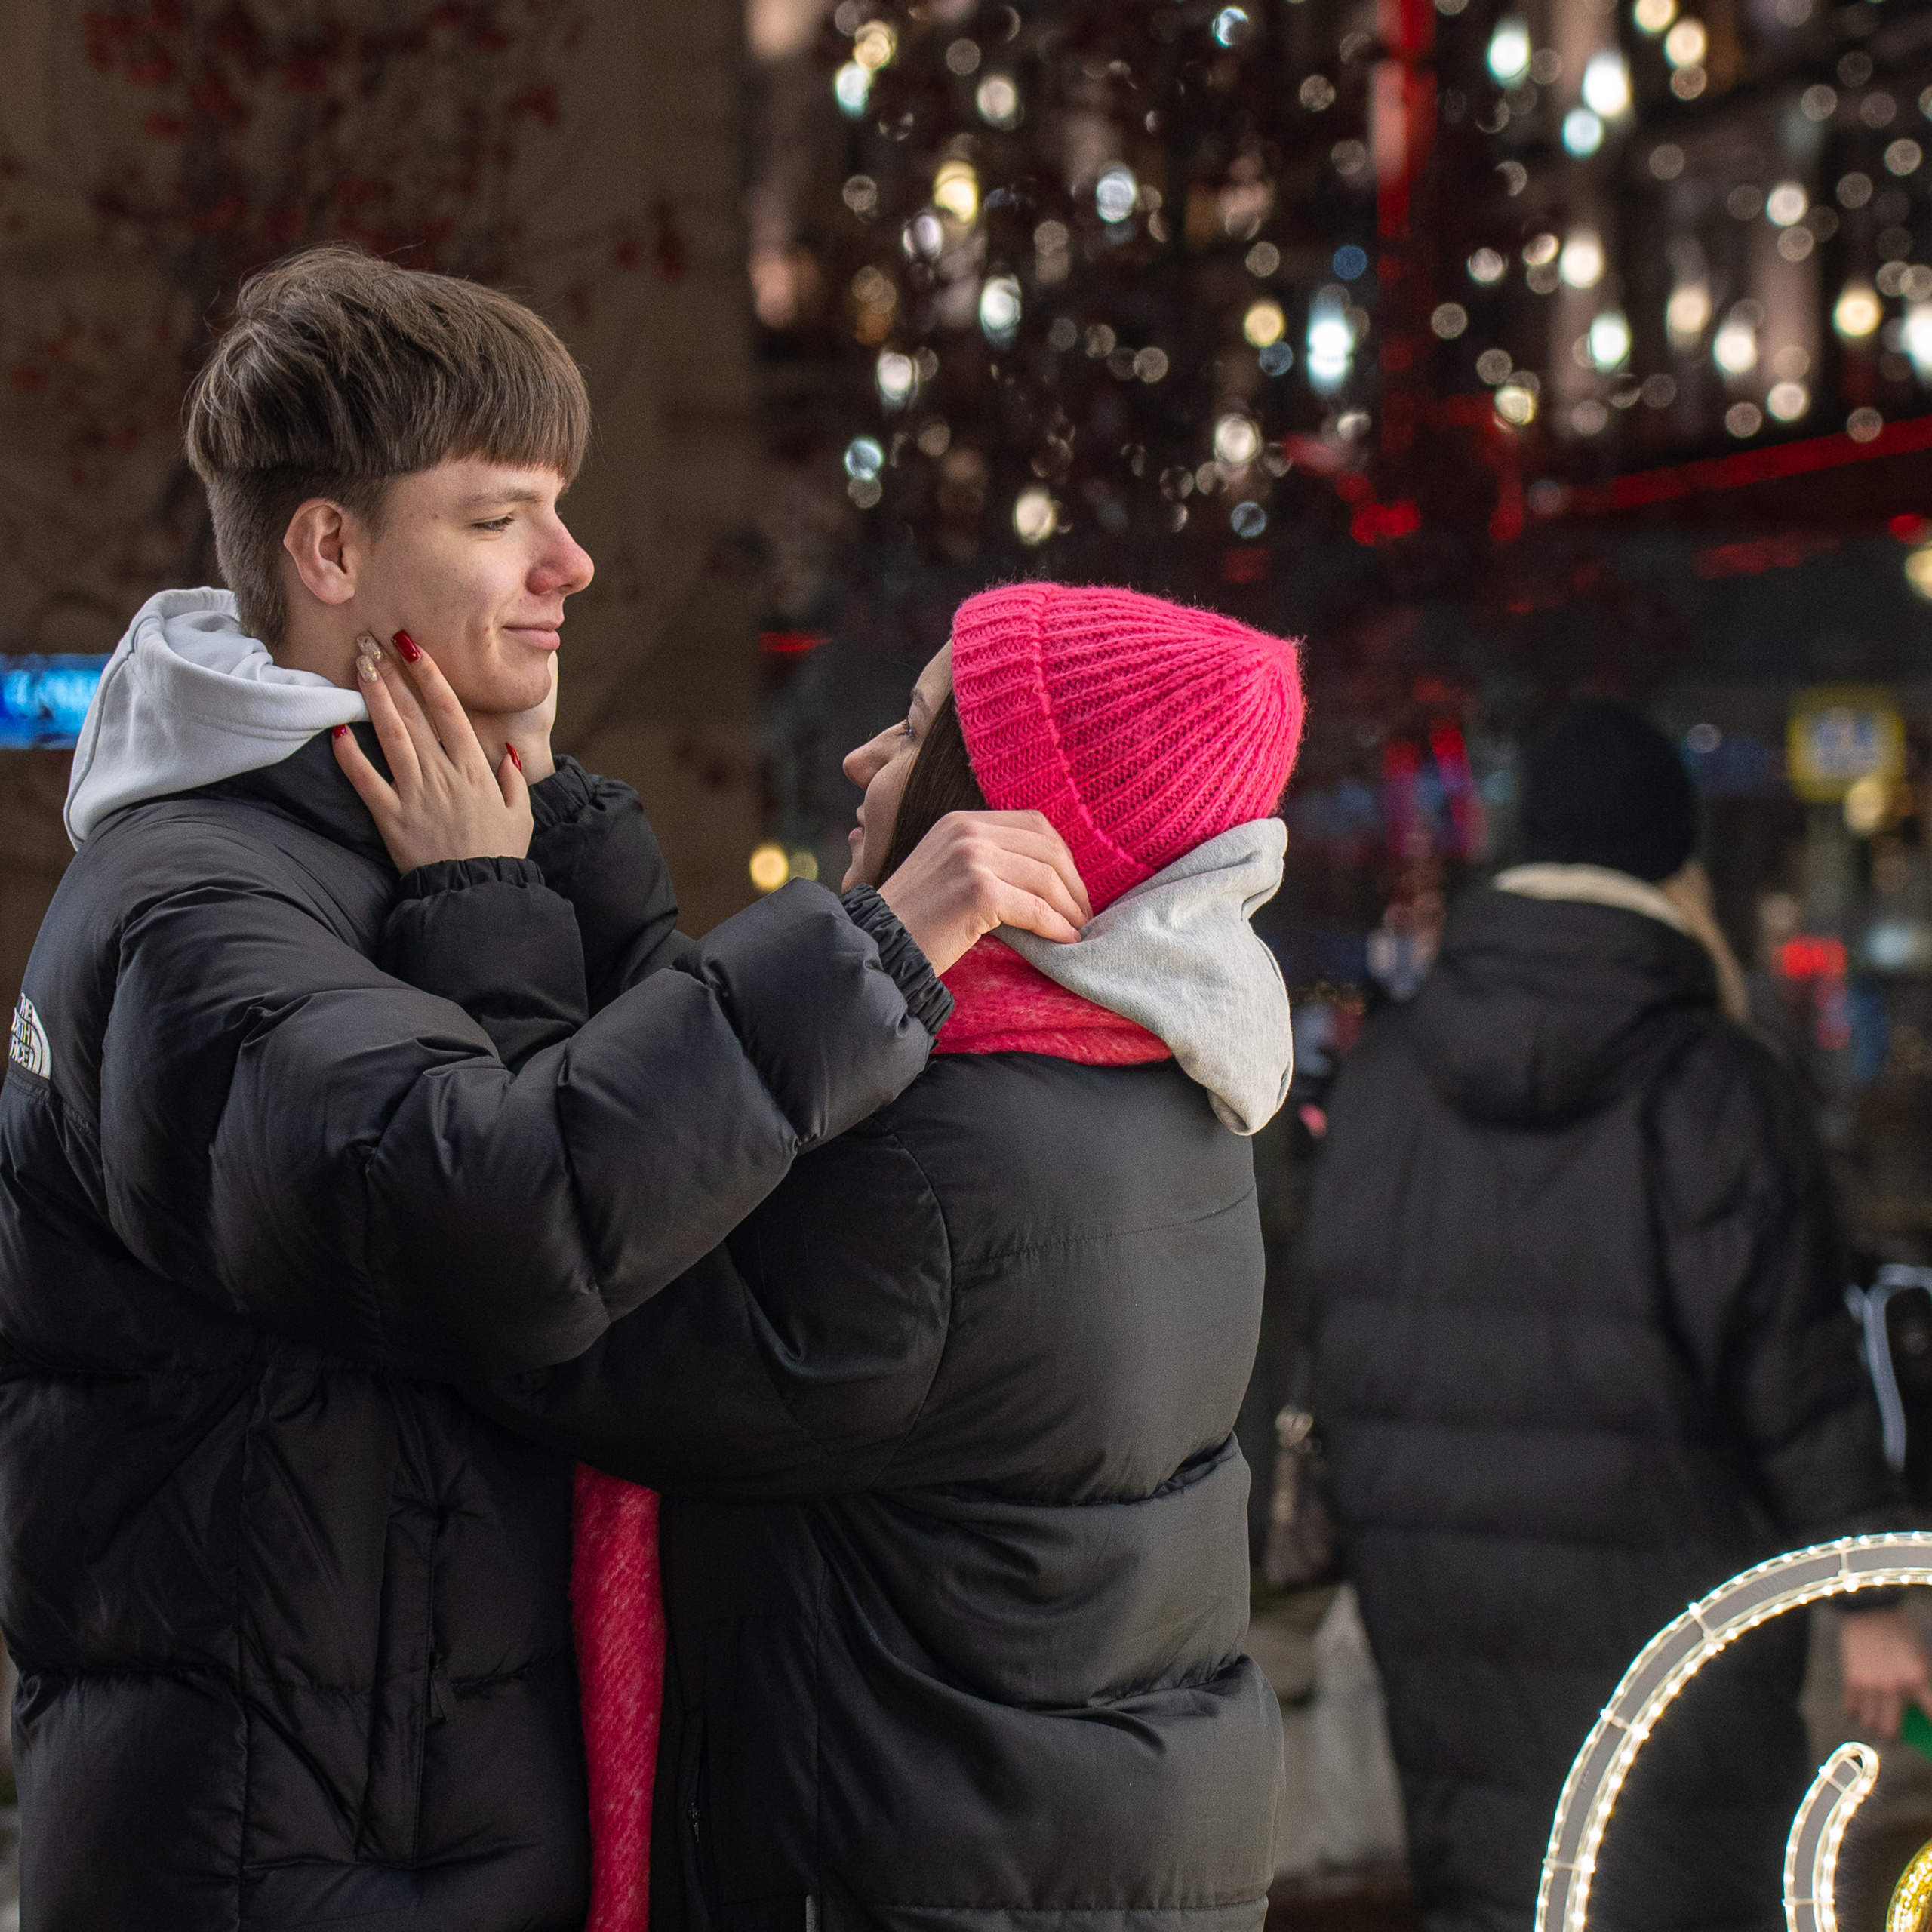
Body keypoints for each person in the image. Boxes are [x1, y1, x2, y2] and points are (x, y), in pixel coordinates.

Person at [0, 245, 1091, 1932]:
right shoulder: (191, 914)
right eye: (500, 513)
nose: (571, 562)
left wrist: (542, 835)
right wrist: (866, 948)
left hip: (423, 1823)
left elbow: (666, 1194)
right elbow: (497, 1214)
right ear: (332, 548)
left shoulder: (384, 857)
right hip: (262, 1864)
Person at [464, 583, 1303, 1930]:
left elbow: (567, 1300)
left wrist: (484, 917)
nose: (863, 759)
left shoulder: (936, 1167)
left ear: (1005, 809)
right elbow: (716, 1118)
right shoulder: (1161, 1095)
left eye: (912, 731)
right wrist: (564, 821)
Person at [1300, 699, 1929, 1932]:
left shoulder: (1387, 1076)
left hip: (1440, 1607)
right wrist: (1865, 1593)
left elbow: (1342, 1337)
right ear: (1672, 866)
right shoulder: (1715, 1084)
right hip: (1673, 1625)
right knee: (1681, 1886)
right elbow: (1794, 1372)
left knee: (1499, 1887)